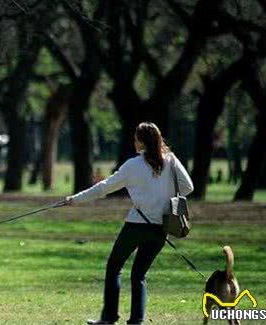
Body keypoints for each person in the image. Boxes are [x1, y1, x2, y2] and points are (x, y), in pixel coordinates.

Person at [63, 122, 194, 325]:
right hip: (161, 228)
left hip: (135, 225)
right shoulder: (171, 161)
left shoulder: (133, 166)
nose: (134, 142)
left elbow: (103, 188)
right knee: (139, 275)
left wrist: (74, 199)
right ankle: (136, 321)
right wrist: (165, 198)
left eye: (135, 138)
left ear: (140, 141)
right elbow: (188, 187)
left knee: (114, 266)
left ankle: (108, 318)